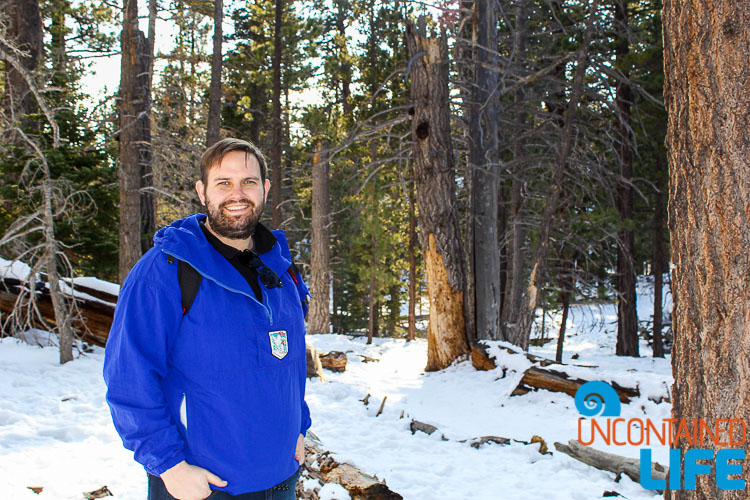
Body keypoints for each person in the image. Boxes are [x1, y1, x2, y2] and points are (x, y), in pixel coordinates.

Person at [104, 138, 311, 500]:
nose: (237, 193)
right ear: (202, 192)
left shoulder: (280, 269)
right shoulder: (166, 271)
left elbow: (287, 362)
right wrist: (169, 465)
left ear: (264, 189)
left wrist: (299, 426)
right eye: (223, 183)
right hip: (202, 485)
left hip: (281, 479)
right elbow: (128, 379)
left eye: (248, 181)